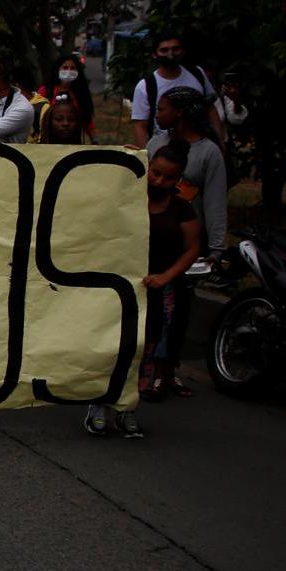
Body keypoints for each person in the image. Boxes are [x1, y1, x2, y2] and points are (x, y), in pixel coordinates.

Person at [87, 141, 197, 437]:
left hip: (156, 294)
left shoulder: (182, 210)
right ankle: (99, 405)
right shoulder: (129, 197)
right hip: (119, 290)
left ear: (178, 180)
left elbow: (191, 249)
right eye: (155, 173)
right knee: (113, 348)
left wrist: (165, 276)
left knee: (143, 352)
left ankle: (128, 409)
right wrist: (123, 155)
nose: (159, 181)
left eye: (168, 177)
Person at [145, 88, 228, 269]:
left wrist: (216, 249)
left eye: (161, 109)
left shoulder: (209, 153)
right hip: (150, 236)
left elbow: (215, 202)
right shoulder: (154, 143)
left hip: (186, 242)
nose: (156, 115)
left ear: (179, 112)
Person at [131, 36, 223, 146]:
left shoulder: (197, 74)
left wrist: (219, 141)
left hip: (200, 145)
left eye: (175, 49)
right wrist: (145, 158)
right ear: (154, 54)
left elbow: (211, 109)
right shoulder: (145, 86)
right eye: (164, 50)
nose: (171, 54)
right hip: (164, 151)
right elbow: (140, 125)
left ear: (182, 51)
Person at [42, 53, 93, 133]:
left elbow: (87, 119)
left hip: (73, 139)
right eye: (65, 68)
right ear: (57, 70)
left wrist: (94, 139)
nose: (69, 71)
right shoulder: (45, 91)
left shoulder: (81, 93)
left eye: (73, 68)